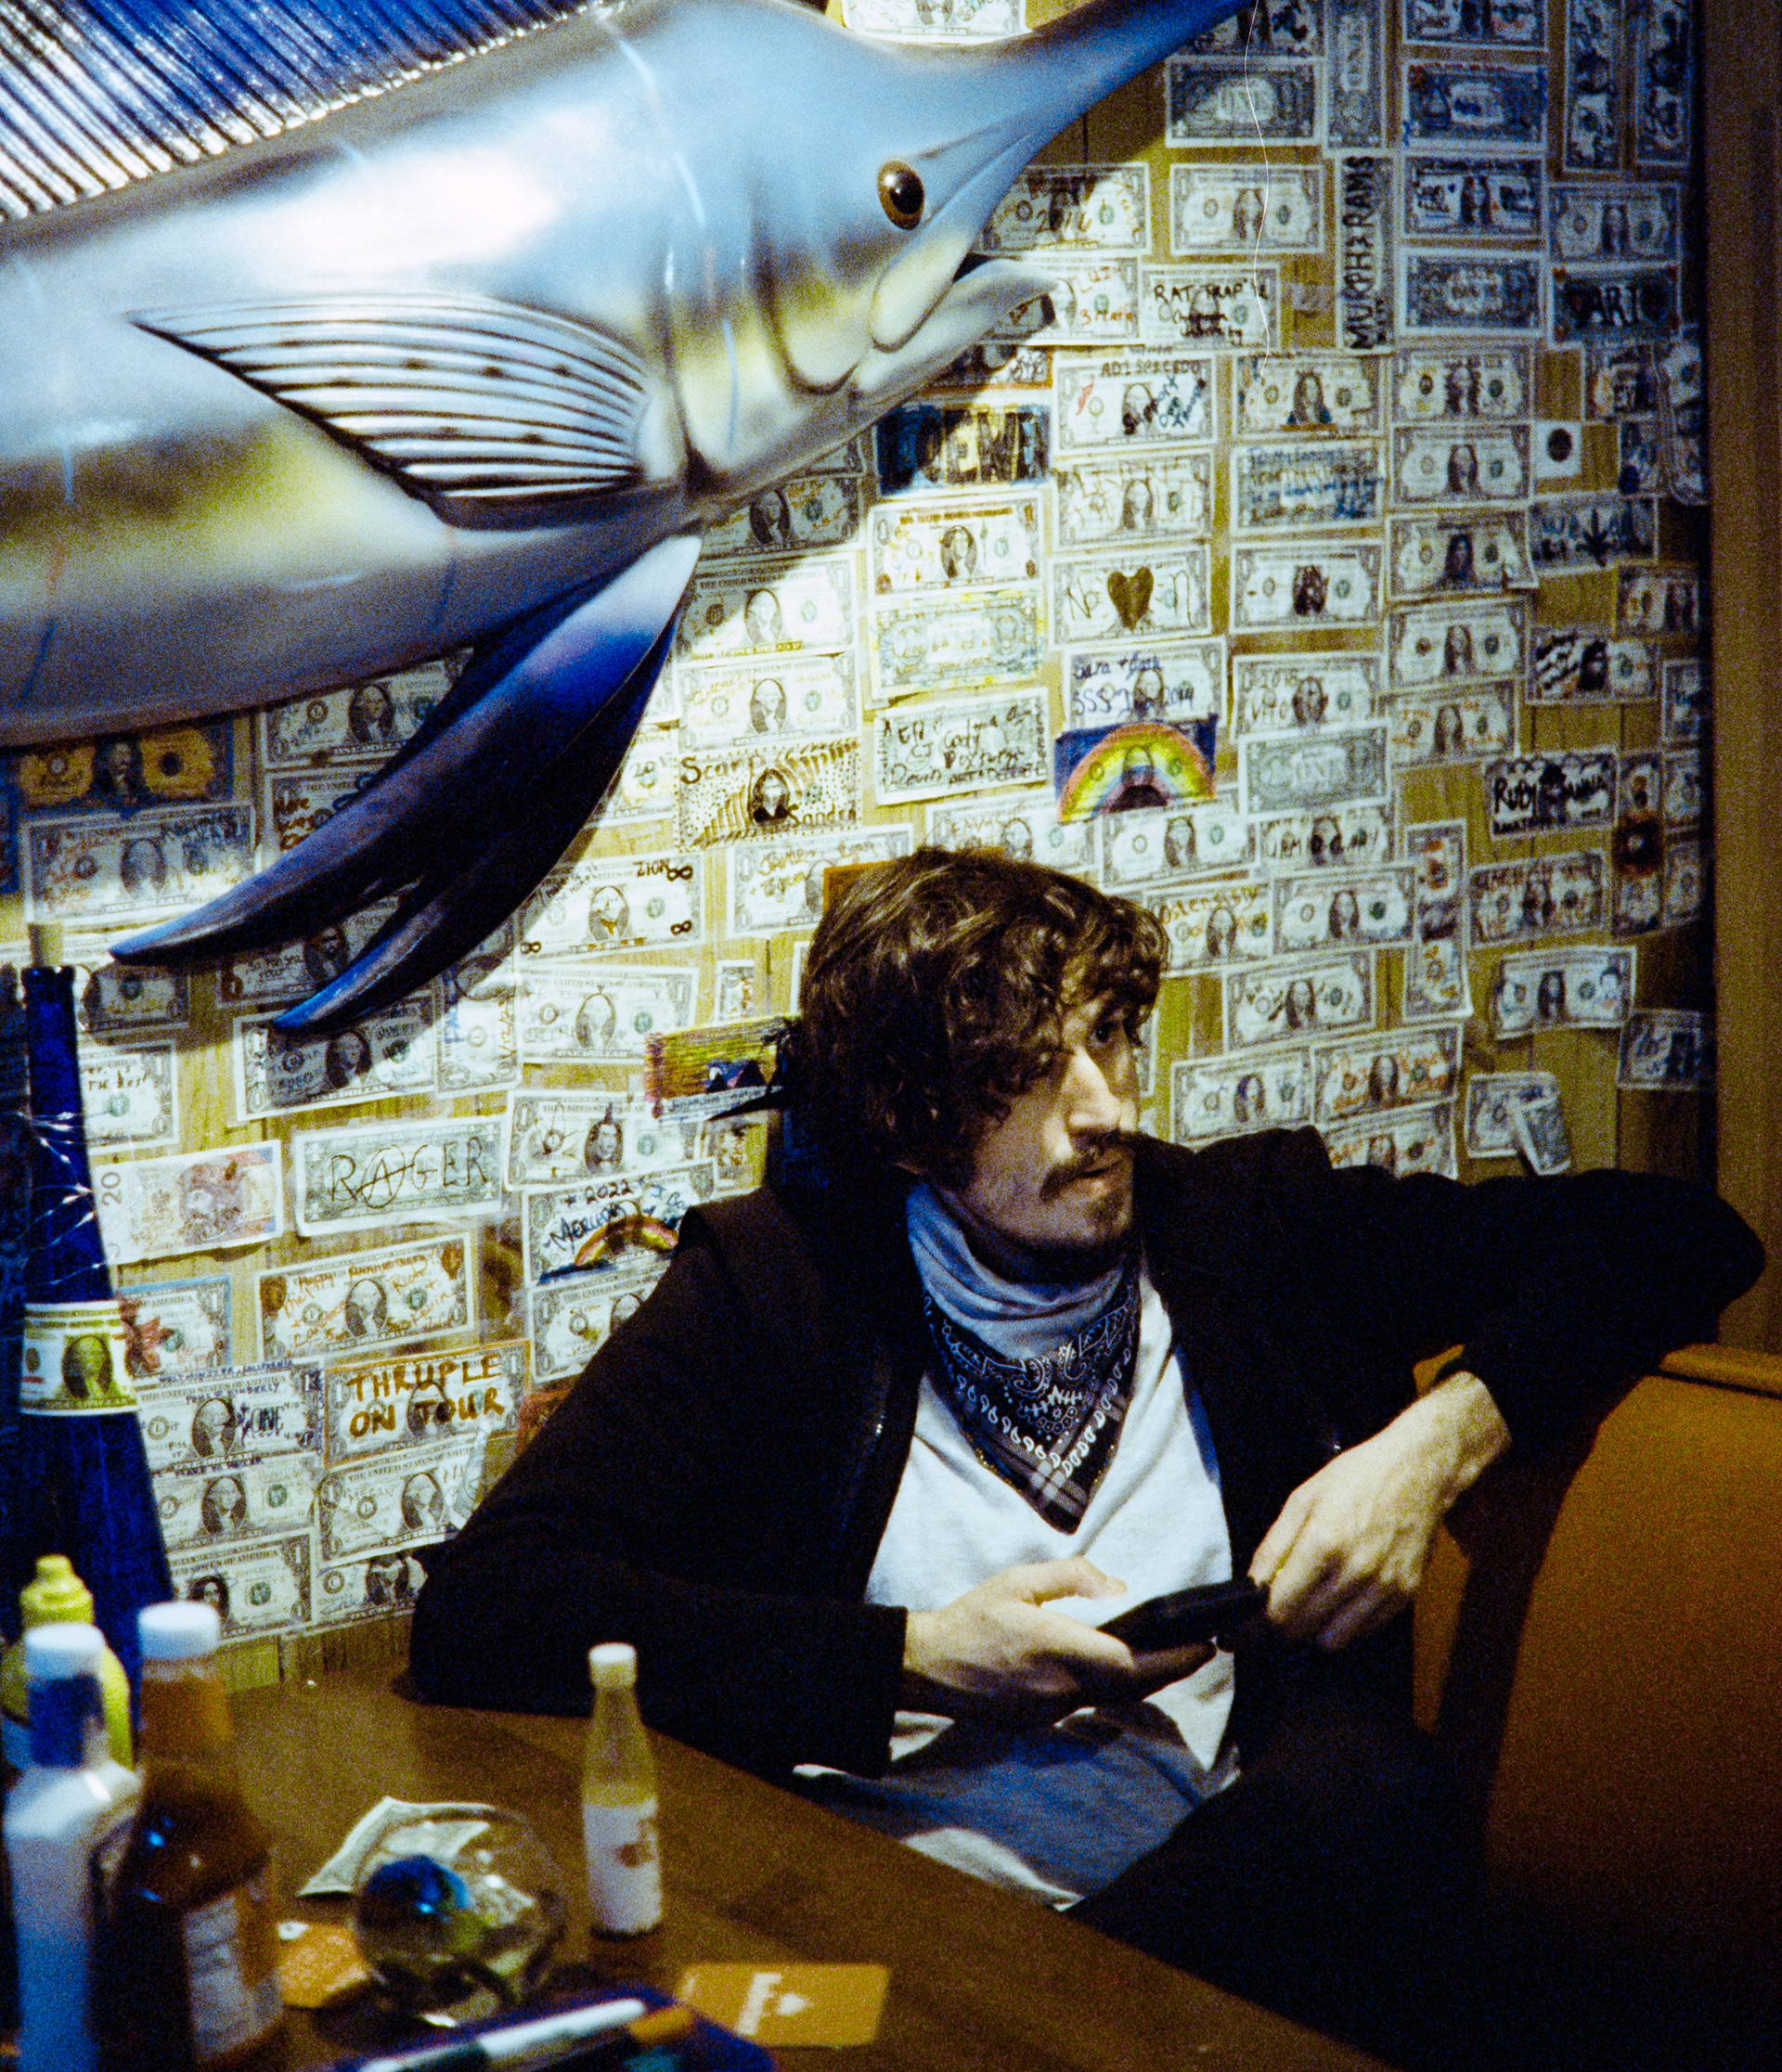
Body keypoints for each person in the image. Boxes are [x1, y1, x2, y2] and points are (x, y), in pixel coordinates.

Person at [411, 853, 1759, 2059]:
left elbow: (1680, 1233)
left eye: (1111, 1037)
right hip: (869, 1926)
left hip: (1203, 1921)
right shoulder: (779, 1290)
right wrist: (917, 1659)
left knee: (1369, 1808)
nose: (1106, 1107)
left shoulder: (1245, 1229)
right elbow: (488, 1609)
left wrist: (1432, 1446)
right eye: (1032, 1068)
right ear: (910, 1112)